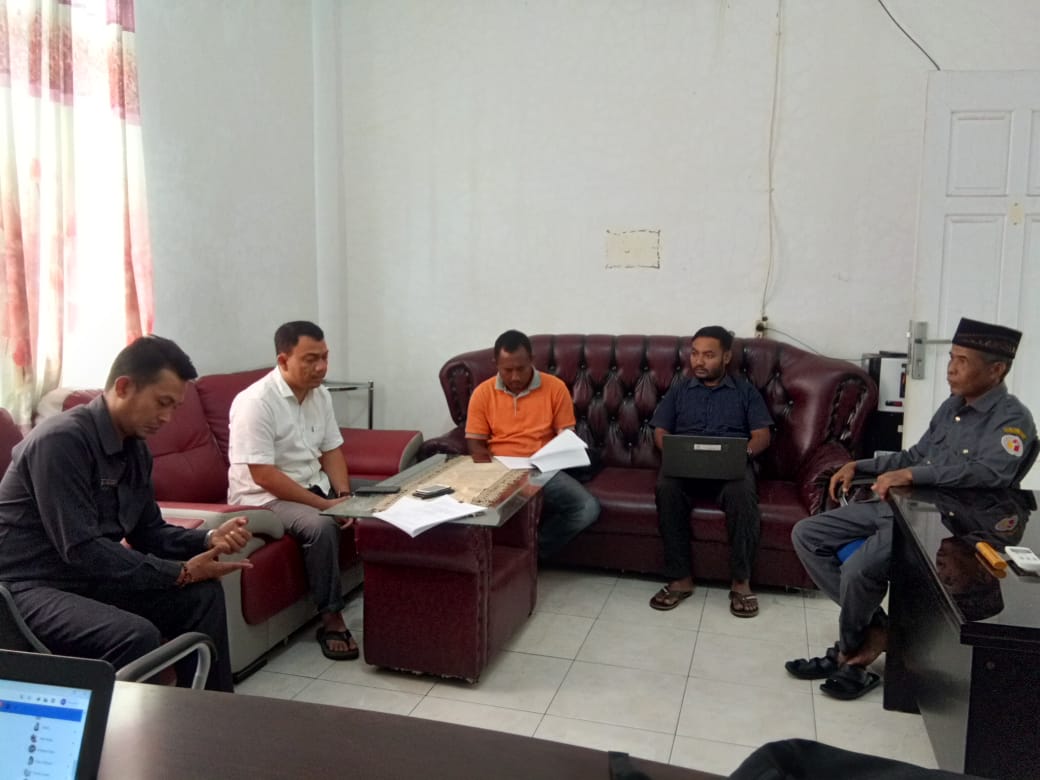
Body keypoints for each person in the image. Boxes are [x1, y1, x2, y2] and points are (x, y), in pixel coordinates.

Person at [786, 317, 1036, 700]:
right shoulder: (952, 406)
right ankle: (879, 631)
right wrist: (860, 467)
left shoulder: (1012, 420)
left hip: (942, 524)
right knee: (807, 533)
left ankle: (849, 655)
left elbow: (990, 473)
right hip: (901, 508)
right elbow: (916, 455)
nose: (951, 368)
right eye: (951, 357)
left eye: (963, 361)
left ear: (996, 370)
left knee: (858, 570)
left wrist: (912, 474)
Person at [0, 336, 251, 692]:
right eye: (162, 403)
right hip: (25, 587)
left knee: (202, 597)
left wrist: (208, 539)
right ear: (123, 387)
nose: (166, 418)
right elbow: (81, 548)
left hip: (84, 578)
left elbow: (149, 532)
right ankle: (132, 728)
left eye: (175, 407)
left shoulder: (135, 450)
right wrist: (178, 572)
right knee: (134, 636)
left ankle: (209, 712)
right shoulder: (61, 441)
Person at [228, 321, 358, 661]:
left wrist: (344, 495)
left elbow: (331, 450)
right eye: (311, 359)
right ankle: (331, 618)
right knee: (320, 525)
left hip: (313, 484)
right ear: (283, 360)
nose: (322, 367)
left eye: (325, 357)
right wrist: (326, 506)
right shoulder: (256, 402)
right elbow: (264, 476)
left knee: (379, 500)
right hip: (264, 499)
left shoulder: (320, 394)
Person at [648, 326, 773, 617]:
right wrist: (673, 452)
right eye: (694, 354)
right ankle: (680, 579)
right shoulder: (680, 390)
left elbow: (762, 435)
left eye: (708, 355)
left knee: (742, 493)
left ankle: (741, 582)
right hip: (685, 466)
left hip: (730, 467)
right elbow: (660, 430)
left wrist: (742, 454)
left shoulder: (744, 391)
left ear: (726, 357)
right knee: (666, 488)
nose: (699, 361)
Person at [465, 330, 600, 559]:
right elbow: (475, 444)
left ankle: (530, 556)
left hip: (542, 470)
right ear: (495, 364)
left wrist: (554, 456)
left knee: (587, 508)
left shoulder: (555, 387)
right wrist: (487, 473)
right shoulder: (482, 393)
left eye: (521, 368)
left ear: (532, 360)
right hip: (500, 469)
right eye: (507, 370)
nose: (515, 377)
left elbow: (566, 437)